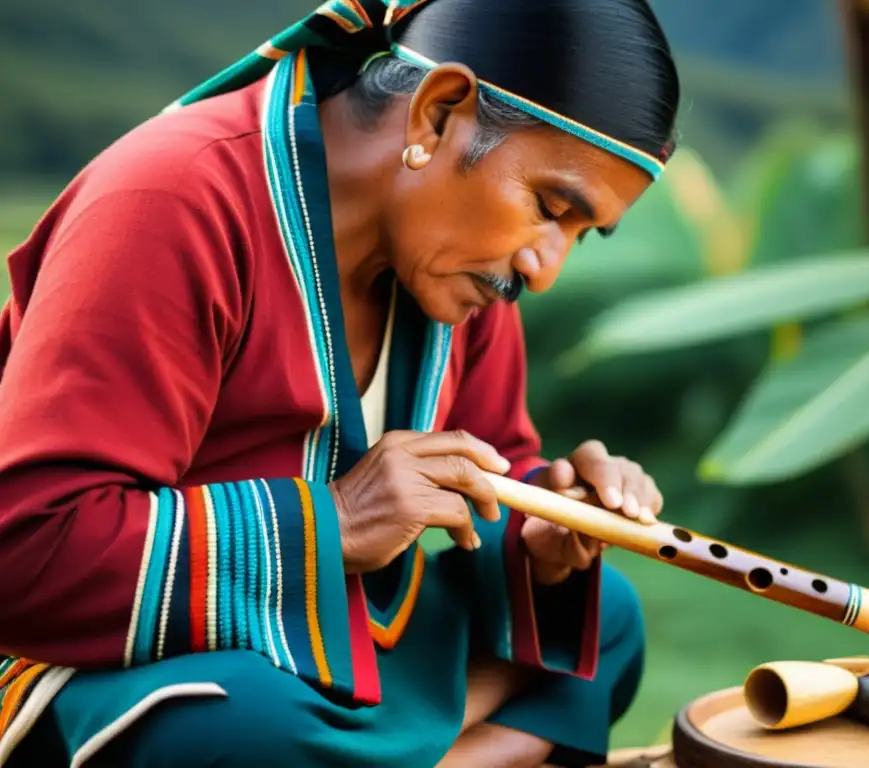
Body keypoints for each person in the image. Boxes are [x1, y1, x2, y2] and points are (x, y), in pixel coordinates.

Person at [0, 0, 679, 765]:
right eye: (551, 208)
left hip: (321, 632)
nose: (544, 269)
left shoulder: (461, 265)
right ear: (436, 114)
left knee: (606, 618)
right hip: (134, 656)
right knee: (235, 721)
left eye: (579, 235)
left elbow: (495, 463)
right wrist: (333, 523)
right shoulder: (173, 200)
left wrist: (545, 531)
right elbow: (26, 551)